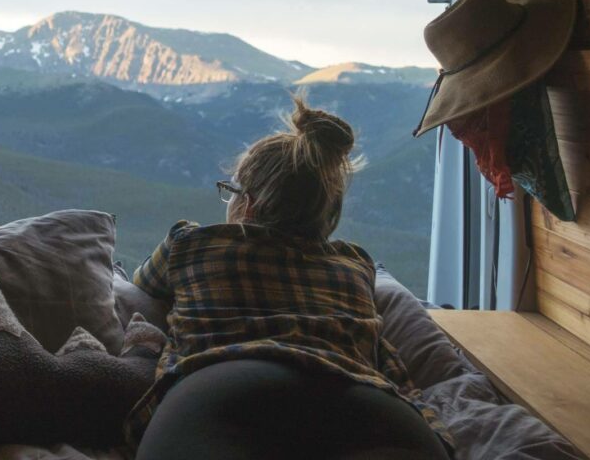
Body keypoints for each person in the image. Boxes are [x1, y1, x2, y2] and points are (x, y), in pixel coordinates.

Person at [127, 97, 452, 460]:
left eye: (231, 193)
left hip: (222, 396)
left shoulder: (191, 243)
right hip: (372, 408)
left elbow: (141, 288)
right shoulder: (356, 264)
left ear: (248, 205)